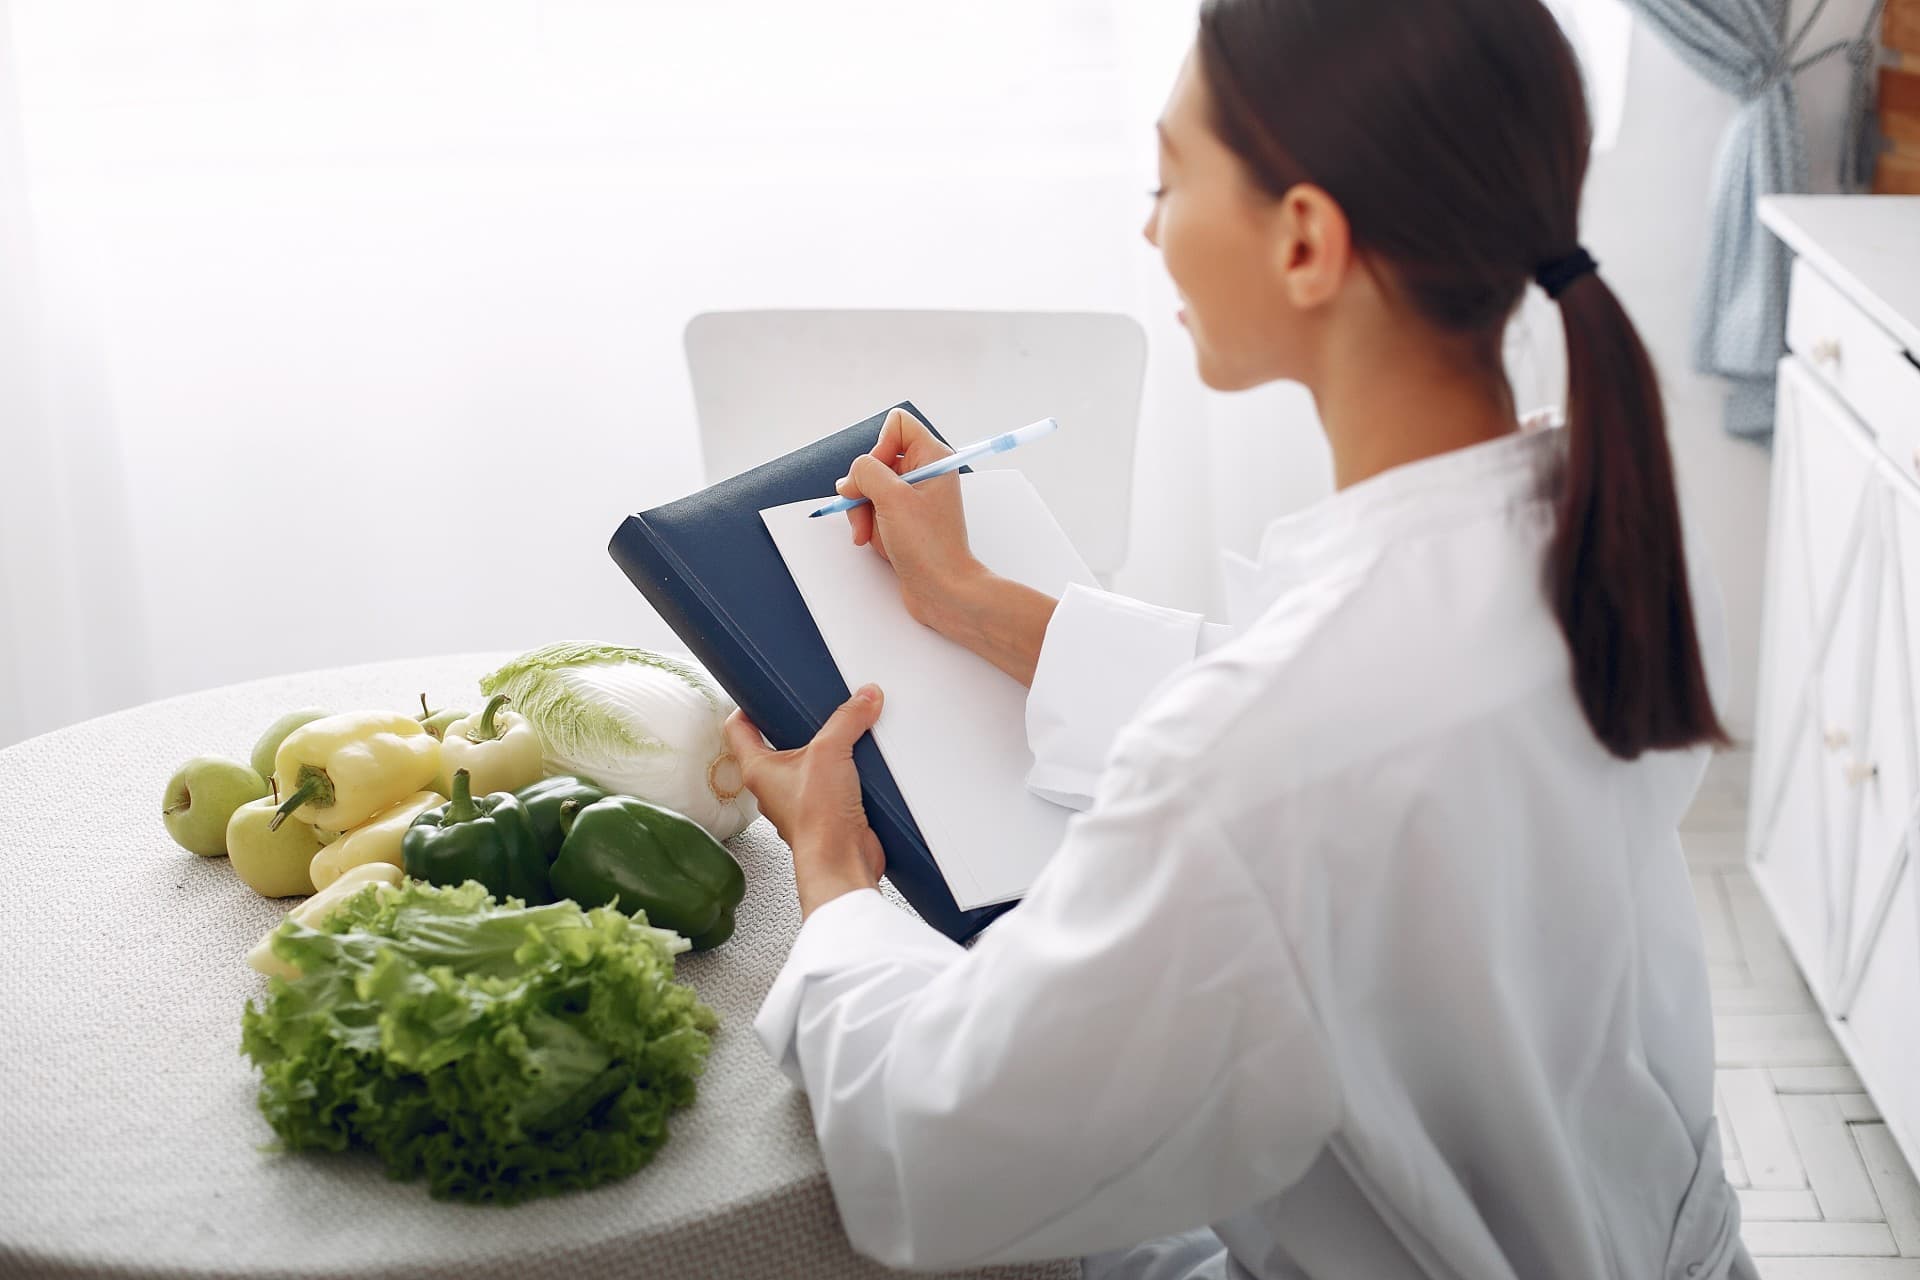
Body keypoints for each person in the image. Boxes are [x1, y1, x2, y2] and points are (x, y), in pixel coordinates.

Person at [718, 0, 1754, 1276]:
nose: (1150, 226)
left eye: (1168, 180)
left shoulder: (1278, 745)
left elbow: (938, 1149)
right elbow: (1317, 721)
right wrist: (976, 599)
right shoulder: (1578, 538)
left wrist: (832, 879)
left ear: (1306, 240)